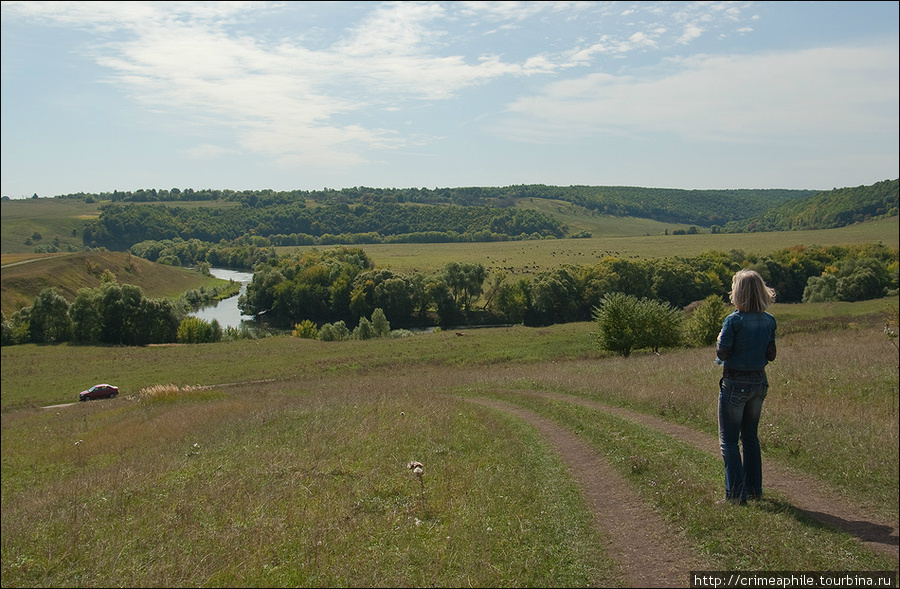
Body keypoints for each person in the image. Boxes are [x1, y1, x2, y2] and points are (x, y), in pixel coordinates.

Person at [715, 269, 777, 504]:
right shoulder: (769, 320)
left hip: (734, 382)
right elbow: (771, 355)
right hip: (759, 382)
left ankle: (735, 494)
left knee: (729, 441)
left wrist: (720, 339)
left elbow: (723, 352)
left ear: (738, 293)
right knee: (750, 437)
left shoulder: (733, 320)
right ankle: (754, 490)